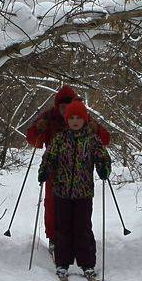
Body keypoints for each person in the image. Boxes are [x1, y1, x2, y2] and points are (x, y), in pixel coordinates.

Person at [25, 86, 110, 253]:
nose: (64, 110)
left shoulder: (81, 116)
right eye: (62, 107)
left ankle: (79, 239)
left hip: (81, 172)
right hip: (55, 171)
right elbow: (33, 139)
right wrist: (39, 128)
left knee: (81, 208)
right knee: (53, 206)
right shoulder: (49, 117)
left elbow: (104, 140)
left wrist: (96, 130)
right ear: (57, 106)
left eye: (67, 106)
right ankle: (54, 238)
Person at [39, 99, 112, 281]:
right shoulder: (60, 139)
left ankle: (87, 264)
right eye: (71, 118)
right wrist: (44, 170)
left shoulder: (92, 139)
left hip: (84, 192)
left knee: (83, 228)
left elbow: (103, 156)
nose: (75, 121)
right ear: (67, 120)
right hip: (61, 191)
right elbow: (49, 157)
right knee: (63, 228)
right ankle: (62, 263)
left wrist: (103, 167)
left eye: (79, 117)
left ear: (85, 119)